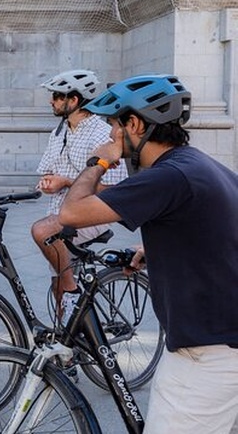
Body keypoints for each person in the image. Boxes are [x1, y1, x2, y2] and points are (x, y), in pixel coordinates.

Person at [59, 74, 238, 434]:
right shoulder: (200, 165)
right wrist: (155, 248)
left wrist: (100, 161)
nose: (110, 136)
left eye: (113, 126)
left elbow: (70, 213)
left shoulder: (166, 177)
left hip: (207, 355)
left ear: (135, 124)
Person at [30, 70, 127, 324]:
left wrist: (66, 182)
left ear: (73, 101)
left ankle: (74, 295)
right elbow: (50, 168)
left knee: (44, 234)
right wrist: (50, 181)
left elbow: (113, 190)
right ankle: (71, 344)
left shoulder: (100, 134)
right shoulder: (59, 132)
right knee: (57, 287)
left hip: (91, 215)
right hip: (61, 213)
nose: (51, 101)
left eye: (56, 97)